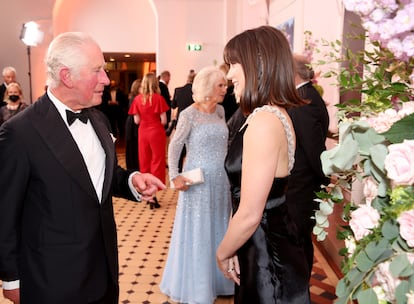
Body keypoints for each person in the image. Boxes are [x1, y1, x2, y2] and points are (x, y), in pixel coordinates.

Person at [0, 31, 165, 304]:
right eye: (97, 70)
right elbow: (5, 212)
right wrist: (11, 278)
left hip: (103, 270)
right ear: (67, 76)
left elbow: (97, 177)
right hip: (52, 280)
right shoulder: (19, 133)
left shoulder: (98, 119)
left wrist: (131, 181)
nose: (106, 79)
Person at [216, 26, 311, 303]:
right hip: (261, 246)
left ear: (258, 62)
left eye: (234, 64)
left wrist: (222, 252)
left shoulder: (264, 121)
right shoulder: (273, 114)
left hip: (267, 256)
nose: (229, 73)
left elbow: (249, 213)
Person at [160, 66, 234, 304]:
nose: (225, 89)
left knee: (219, 226)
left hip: (221, 180)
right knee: (199, 230)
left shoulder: (221, 111)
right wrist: (175, 176)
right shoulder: (188, 114)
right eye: (220, 85)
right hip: (197, 183)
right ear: (208, 87)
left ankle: (220, 279)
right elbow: (174, 145)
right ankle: (198, 287)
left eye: (225, 85)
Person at [286, 54, 330, 276]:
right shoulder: (305, 96)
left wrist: (325, 179)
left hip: (302, 185)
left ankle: (299, 290)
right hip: (302, 183)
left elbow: (314, 150)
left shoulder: (304, 101)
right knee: (298, 241)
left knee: (298, 242)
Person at [128, 72, 169, 209]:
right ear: (155, 84)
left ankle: (148, 196)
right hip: (156, 131)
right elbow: (164, 120)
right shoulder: (159, 98)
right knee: (157, 161)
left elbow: (136, 120)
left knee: (144, 161)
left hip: (143, 132)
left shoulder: (137, 99)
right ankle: (153, 195)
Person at [168, 69, 196, 171]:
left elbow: (173, 105)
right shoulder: (196, 92)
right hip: (194, 122)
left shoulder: (178, 90)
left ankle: (178, 170)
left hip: (181, 121)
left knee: (179, 147)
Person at [125, 78, 141, 171]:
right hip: (132, 124)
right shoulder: (134, 98)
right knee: (132, 146)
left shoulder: (134, 97)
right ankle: (133, 168)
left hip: (132, 122)